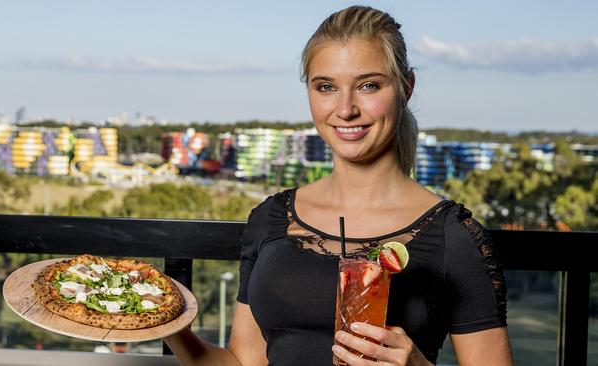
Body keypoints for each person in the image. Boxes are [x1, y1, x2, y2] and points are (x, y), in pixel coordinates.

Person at [165, 5, 514, 365]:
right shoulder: (271, 219)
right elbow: (242, 361)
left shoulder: (453, 236)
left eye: (368, 85)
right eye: (326, 87)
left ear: (406, 88)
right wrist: (169, 323)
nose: (345, 109)